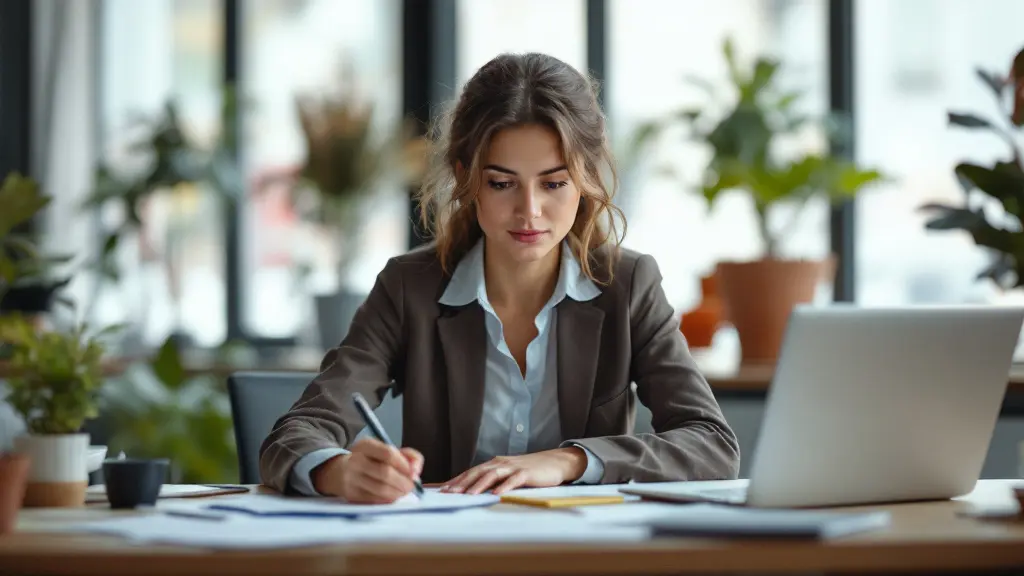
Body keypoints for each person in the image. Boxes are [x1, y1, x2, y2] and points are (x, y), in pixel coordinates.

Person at [259, 52, 740, 504]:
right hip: (450, 556)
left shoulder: (628, 285)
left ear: (586, 178)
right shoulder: (411, 288)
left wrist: (572, 460)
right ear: (467, 177)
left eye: (553, 183)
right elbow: (296, 435)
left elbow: (712, 444)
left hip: (586, 554)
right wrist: (338, 471)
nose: (529, 211)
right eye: (502, 183)